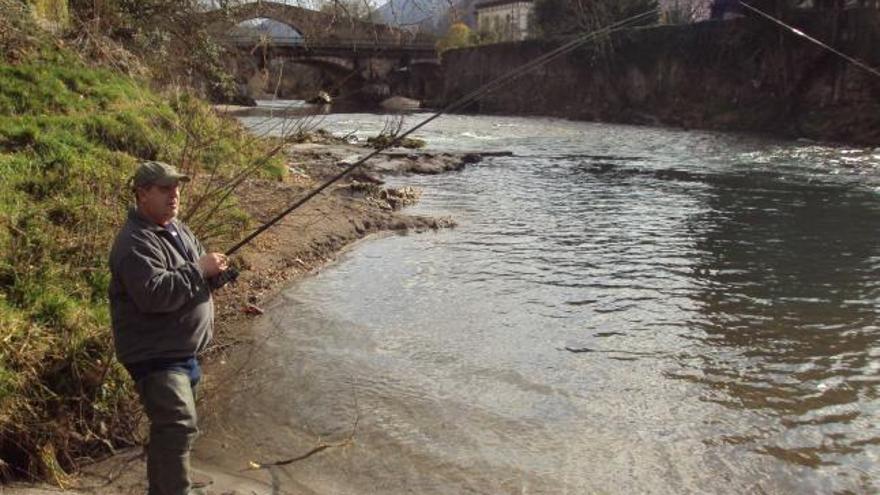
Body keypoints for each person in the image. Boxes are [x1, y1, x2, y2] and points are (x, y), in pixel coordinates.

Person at [109, 161, 229, 495]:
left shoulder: (178, 227)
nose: (174, 195)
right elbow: (154, 295)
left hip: (183, 350)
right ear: (142, 193)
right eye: (165, 188)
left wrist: (215, 274)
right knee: (178, 425)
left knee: (173, 429)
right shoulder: (134, 241)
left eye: (177, 187)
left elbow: (195, 271)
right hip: (155, 353)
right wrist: (199, 270)